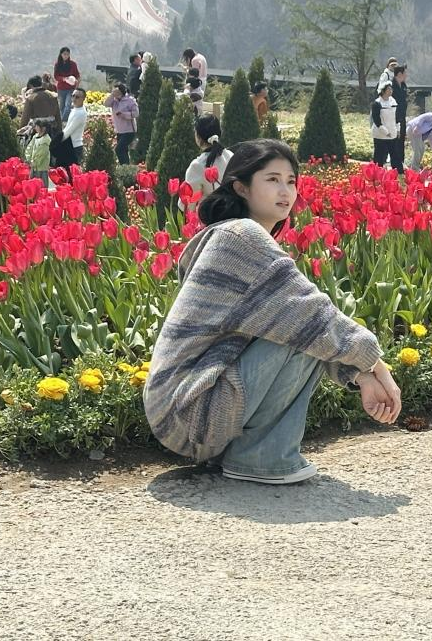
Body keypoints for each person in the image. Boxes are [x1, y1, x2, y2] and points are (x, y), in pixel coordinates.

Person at [143, 139, 400, 484]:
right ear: (241, 188)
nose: (286, 191)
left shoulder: (226, 236)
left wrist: (360, 375)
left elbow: (306, 319)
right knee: (306, 325)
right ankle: (260, 459)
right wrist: (375, 366)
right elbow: (312, 318)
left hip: (182, 405)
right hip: (192, 411)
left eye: (292, 181)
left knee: (301, 325)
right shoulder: (241, 237)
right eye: (272, 179)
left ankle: (247, 454)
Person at [184, 114, 234, 204]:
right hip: (234, 212)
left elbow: (188, 203)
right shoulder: (230, 156)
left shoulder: (197, 166)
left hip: (209, 215)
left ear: (198, 137)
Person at [104, 83, 139, 164]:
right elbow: (106, 104)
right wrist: (112, 95)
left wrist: (124, 115)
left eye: (117, 91)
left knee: (119, 149)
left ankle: (125, 167)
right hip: (119, 131)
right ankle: (125, 168)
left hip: (129, 131)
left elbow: (136, 113)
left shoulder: (130, 100)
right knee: (123, 151)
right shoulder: (114, 101)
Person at [369, 82, 398, 167]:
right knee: (379, 156)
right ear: (383, 91)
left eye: (391, 89)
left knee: (394, 154)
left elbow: (396, 117)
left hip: (392, 133)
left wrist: (397, 129)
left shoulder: (393, 101)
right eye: (388, 89)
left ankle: (395, 172)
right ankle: (377, 173)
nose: (391, 91)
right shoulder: (377, 103)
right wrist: (385, 131)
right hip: (380, 134)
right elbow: (377, 120)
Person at [389, 63, 409, 172]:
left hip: (402, 117)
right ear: (399, 74)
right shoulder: (392, 86)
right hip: (394, 118)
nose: (406, 75)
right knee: (395, 141)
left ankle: (400, 162)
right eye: (405, 73)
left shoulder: (404, 86)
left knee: (401, 140)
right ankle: (396, 166)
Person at [61, 87, 88, 167]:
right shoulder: (75, 109)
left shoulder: (80, 113)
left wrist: (57, 140)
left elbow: (69, 131)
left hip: (75, 147)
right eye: (73, 96)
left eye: (77, 97)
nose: (74, 99)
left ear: (83, 99)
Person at [53, 47, 81, 121]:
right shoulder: (57, 64)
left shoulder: (73, 64)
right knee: (61, 106)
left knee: (68, 105)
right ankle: (62, 121)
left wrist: (76, 84)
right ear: (61, 54)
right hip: (61, 88)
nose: (66, 56)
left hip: (70, 89)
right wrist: (64, 79)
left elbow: (77, 75)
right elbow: (56, 76)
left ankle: (63, 120)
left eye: (67, 54)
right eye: (64, 54)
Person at [25, 118, 52, 184]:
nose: (35, 127)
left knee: (41, 184)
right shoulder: (35, 136)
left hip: (41, 168)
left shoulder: (46, 140)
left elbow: (42, 154)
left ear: (44, 128)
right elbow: (30, 147)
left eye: (37, 126)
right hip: (33, 166)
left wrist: (35, 163)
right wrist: (28, 159)